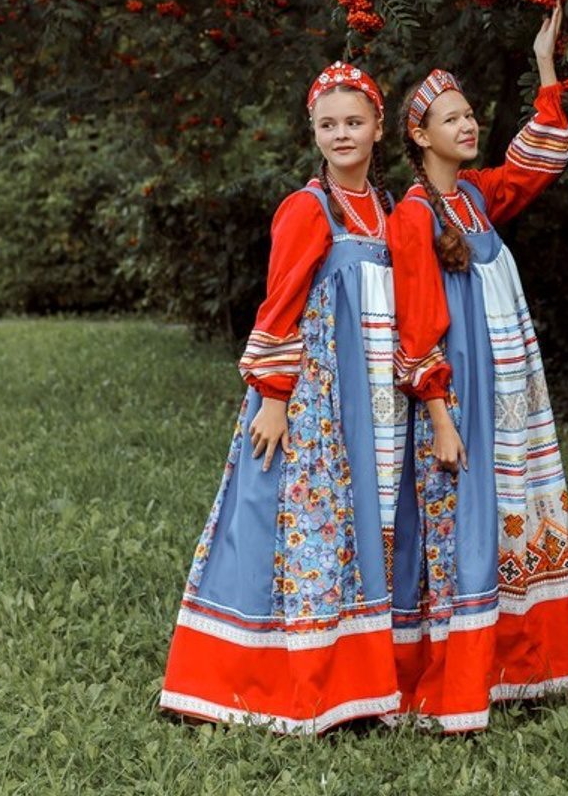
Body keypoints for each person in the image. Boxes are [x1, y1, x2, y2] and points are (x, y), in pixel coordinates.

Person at [160, 62, 407, 733]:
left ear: (379, 128)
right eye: (328, 125)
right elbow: (281, 304)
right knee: (291, 518)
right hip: (312, 395)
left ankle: (356, 682)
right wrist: (273, 396)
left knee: (360, 521)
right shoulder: (309, 208)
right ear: (314, 132)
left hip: (372, 397)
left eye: (354, 122)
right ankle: (258, 675)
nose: (341, 134)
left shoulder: (387, 209)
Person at [387, 7, 568, 732]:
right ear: (419, 135)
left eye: (470, 115)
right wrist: (439, 417)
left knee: (510, 514)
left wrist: (544, 67)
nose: (468, 127)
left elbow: (539, 161)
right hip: (459, 400)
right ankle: (453, 686)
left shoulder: (473, 197)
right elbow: (416, 325)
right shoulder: (413, 215)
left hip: (506, 394)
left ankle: (519, 671)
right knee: (462, 528)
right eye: (452, 119)